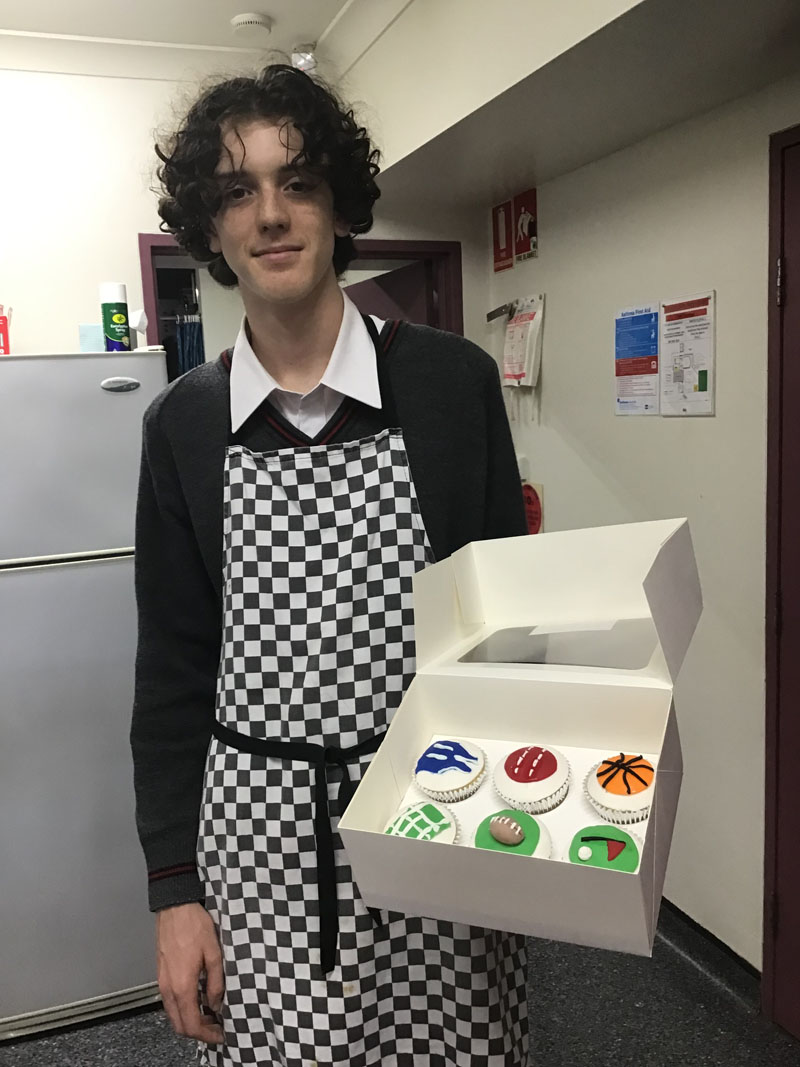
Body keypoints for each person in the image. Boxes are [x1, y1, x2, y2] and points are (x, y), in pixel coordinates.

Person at [130, 63, 529, 1067]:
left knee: (457, 1046)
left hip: (437, 808)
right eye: (237, 191)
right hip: (257, 846)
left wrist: (524, 821)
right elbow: (172, 673)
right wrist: (176, 892)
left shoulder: (451, 385)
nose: (270, 214)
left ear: (340, 205)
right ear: (210, 227)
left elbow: (505, 631)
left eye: (297, 181)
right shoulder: (182, 425)